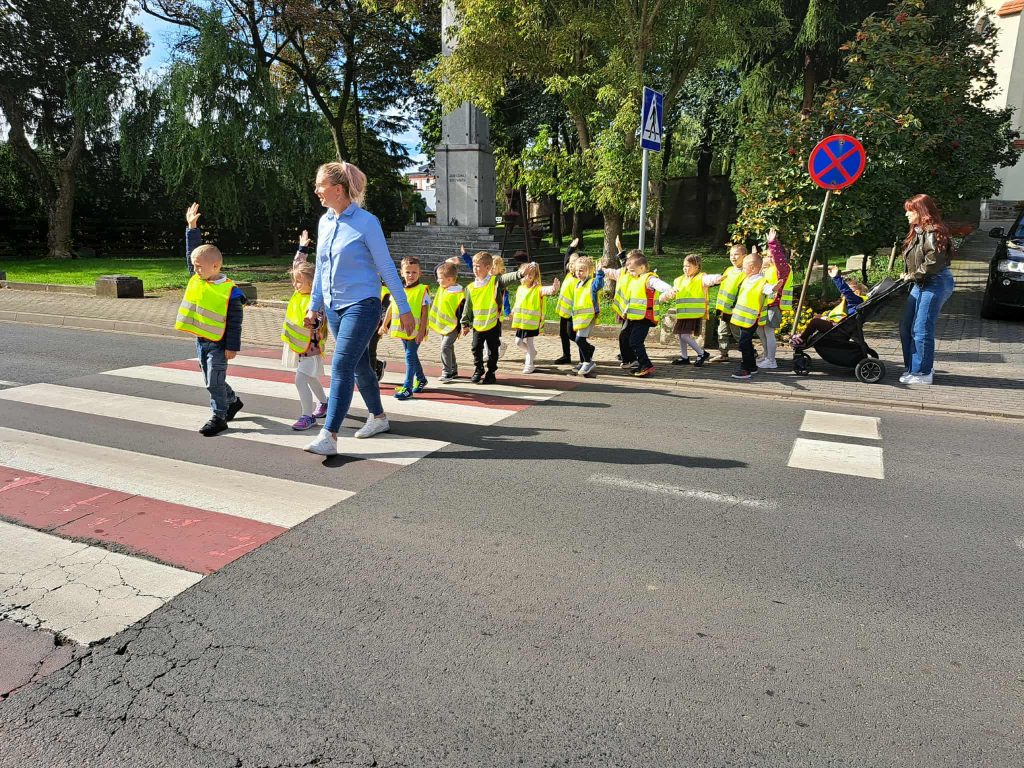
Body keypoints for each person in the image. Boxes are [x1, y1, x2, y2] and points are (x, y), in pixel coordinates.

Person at [302, 161, 414, 456]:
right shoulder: (325, 221)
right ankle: (379, 417)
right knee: (360, 366)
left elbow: (386, 267)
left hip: (363, 305)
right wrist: (314, 306)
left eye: (320, 185)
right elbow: (321, 268)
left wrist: (404, 308)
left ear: (338, 189)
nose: (316, 190)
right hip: (334, 306)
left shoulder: (366, 222)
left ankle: (329, 435)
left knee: (341, 366)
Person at [178, 202, 245, 436]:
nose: (195, 270)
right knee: (211, 378)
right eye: (194, 267)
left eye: (199, 267)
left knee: (213, 382)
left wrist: (232, 346)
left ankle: (219, 417)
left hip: (219, 343)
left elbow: (235, 323)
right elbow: (194, 252)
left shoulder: (230, 291)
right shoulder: (199, 278)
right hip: (201, 340)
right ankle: (232, 401)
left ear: (215, 266)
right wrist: (192, 228)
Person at [899, 193, 956, 385]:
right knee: (906, 326)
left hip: (935, 281)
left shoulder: (932, 231)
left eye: (910, 211)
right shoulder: (918, 231)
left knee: (921, 328)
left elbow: (933, 261)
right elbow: (917, 258)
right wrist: (909, 273)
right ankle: (913, 368)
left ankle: (923, 373)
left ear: (921, 211)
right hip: (922, 281)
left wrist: (914, 275)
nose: (906, 214)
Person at [460, 251, 529, 384]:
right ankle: (479, 369)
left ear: (488, 268)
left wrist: (520, 273)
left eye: (478, 266)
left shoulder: (495, 281)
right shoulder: (470, 287)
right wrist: (465, 323)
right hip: (478, 325)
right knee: (476, 347)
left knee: (493, 350)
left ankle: (491, 372)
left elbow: (506, 278)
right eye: (474, 266)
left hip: (493, 323)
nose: (475, 269)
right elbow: (468, 306)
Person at [604, 250, 675, 378]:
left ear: (642, 268)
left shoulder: (649, 278)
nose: (630, 273)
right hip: (633, 317)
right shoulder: (635, 278)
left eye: (632, 270)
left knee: (635, 342)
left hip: (644, 318)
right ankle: (634, 362)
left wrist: (669, 289)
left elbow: (658, 284)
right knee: (626, 337)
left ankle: (646, 365)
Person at [281, 261, 328, 430]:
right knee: (310, 377)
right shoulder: (299, 294)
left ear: (313, 284)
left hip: (311, 348)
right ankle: (324, 403)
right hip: (300, 346)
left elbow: (319, 320)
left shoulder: (316, 302)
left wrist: (313, 322)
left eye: (299, 282)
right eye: (294, 281)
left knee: (300, 380)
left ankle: (307, 416)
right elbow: (297, 262)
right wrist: (302, 249)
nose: (295, 285)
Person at [380, 256, 431, 400]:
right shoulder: (398, 289)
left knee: (409, 356)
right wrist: (384, 324)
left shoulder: (422, 290)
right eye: (407, 272)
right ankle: (421, 378)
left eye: (414, 272)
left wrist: (421, 331)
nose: (411, 275)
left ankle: (407, 387)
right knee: (412, 355)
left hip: (416, 331)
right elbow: (391, 307)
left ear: (420, 273)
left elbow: (425, 313)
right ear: (402, 273)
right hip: (403, 331)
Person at [790, 266, 868, 347]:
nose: (843, 294)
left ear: (857, 291)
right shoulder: (856, 302)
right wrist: (826, 317)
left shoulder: (855, 300)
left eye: (850, 290)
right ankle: (805, 336)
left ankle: (801, 339)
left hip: (840, 329)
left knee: (815, 322)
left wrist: (836, 277)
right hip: (841, 326)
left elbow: (846, 291)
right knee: (818, 317)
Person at [729, 252, 777, 380]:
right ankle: (752, 367)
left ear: (753, 268)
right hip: (742, 318)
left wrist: (773, 288)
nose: (743, 269)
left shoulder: (761, 281)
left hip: (751, 318)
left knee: (744, 343)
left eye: (744, 267)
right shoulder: (747, 279)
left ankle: (745, 368)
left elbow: (768, 289)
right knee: (746, 342)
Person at [670, 254, 724, 366]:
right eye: (684, 266)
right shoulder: (679, 280)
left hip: (693, 313)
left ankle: (702, 353)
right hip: (683, 313)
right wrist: (667, 295)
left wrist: (717, 278)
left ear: (697, 267)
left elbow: (710, 279)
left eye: (688, 266)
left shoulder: (701, 278)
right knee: (681, 335)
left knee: (684, 335)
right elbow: (673, 291)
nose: (685, 268)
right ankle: (684, 357)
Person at [511, 263, 560, 374]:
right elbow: (518, 302)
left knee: (529, 343)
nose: (527, 277)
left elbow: (547, 290)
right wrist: (513, 311)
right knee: (518, 342)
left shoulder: (538, 289)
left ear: (535, 276)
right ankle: (532, 352)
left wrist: (554, 288)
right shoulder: (520, 289)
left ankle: (529, 364)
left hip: (531, 323)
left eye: (531, 275)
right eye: (525, 274)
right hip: (521, 322)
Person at [756, 229, 792, 370]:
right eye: (768, 256)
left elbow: (779, 258)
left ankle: (771, 360)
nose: (770, 259)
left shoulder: (783, 268)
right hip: (765, 305)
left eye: (772, 256)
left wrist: (772, 243)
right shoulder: (769, 269)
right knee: (761, 331)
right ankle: (766, 355)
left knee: (769, 332)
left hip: (774, 305)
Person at [704, 244, 747, 363]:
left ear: (744, 256)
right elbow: (721, 281)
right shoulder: (729, 270)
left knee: (737, 334)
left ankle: (750, 352)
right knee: (722, 332)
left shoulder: (745, 273)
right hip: (723, 308)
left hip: (734, 309)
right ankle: (723, 353)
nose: (733, 257)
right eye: (731, 254)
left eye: (736, 254)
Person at [428, 260, 466, 384]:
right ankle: (453, 370)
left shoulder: (460, 295)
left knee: (445, 347)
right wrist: (446, 262)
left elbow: (462, 313)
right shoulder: (443, 287)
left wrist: (464, 326)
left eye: (440, 278)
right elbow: (436, 270)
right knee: (449, 347)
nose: (437, 280)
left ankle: (447, 372)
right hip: (443, 326)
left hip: (453, 327)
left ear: (449, 279)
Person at [569, 255, 604, 377]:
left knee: (580, 339)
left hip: (588, 316)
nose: (578, 273)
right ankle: (585, 357)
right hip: (580, 317)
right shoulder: (578, 284)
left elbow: (599, 284)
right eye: (577, 270)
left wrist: (599, 273)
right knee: (580, 339)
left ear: (589, 271)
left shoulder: (591, 283)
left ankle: (588, 362)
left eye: (581, 270)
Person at [553, 238, 582, 364]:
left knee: (571, 334)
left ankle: (586, 348)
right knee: (563, 334)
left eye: (574, 263)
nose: (571, 264)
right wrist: (571, 247)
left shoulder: (580, 278)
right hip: (564, 311)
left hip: (573, 312)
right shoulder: (568, 273)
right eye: (570, 262)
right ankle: (566, 356)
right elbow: (566, 258)